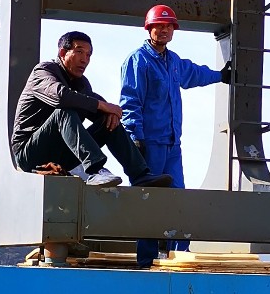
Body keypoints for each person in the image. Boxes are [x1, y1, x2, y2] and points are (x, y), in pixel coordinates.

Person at [120, 4, 230, 268]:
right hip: (148, 144)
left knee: (178, 199)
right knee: (149, 202)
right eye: (160, 25)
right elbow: (130, 100)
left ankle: (178, 258)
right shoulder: (138, 60)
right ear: (149, 28)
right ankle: (145, 261)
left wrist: (220, 75)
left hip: (172, 145)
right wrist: (136, 137)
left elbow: (194, 73)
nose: (165, 30)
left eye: (169, 26)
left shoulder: (174, 62)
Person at [11, 30, 173, 188]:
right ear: (62, 52)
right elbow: (60, 97)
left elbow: (94, 105)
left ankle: (140, 174)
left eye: (88, 55)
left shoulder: (81, 84)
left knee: (109, 121)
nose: (84, 59)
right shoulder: (43, 72)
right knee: (64, 111)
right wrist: (103, 105)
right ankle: (95, 170)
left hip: (63, 155)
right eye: (79, 52)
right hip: (29, 154)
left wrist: (110, 113)